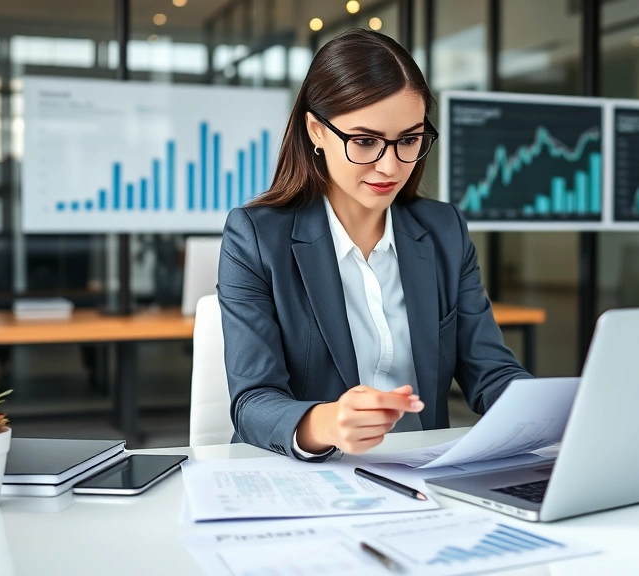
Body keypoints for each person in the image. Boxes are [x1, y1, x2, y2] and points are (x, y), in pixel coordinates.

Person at [218, 28, 531, 462]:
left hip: (420, 476)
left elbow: (491, 372)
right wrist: (326, 422)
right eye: (364, 141)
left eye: (408, 140)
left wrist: (556, 413)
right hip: (305, 478)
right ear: (316, 131)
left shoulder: (444, 230)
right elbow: (252, 402)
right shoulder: (255, 236)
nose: (390, 165)